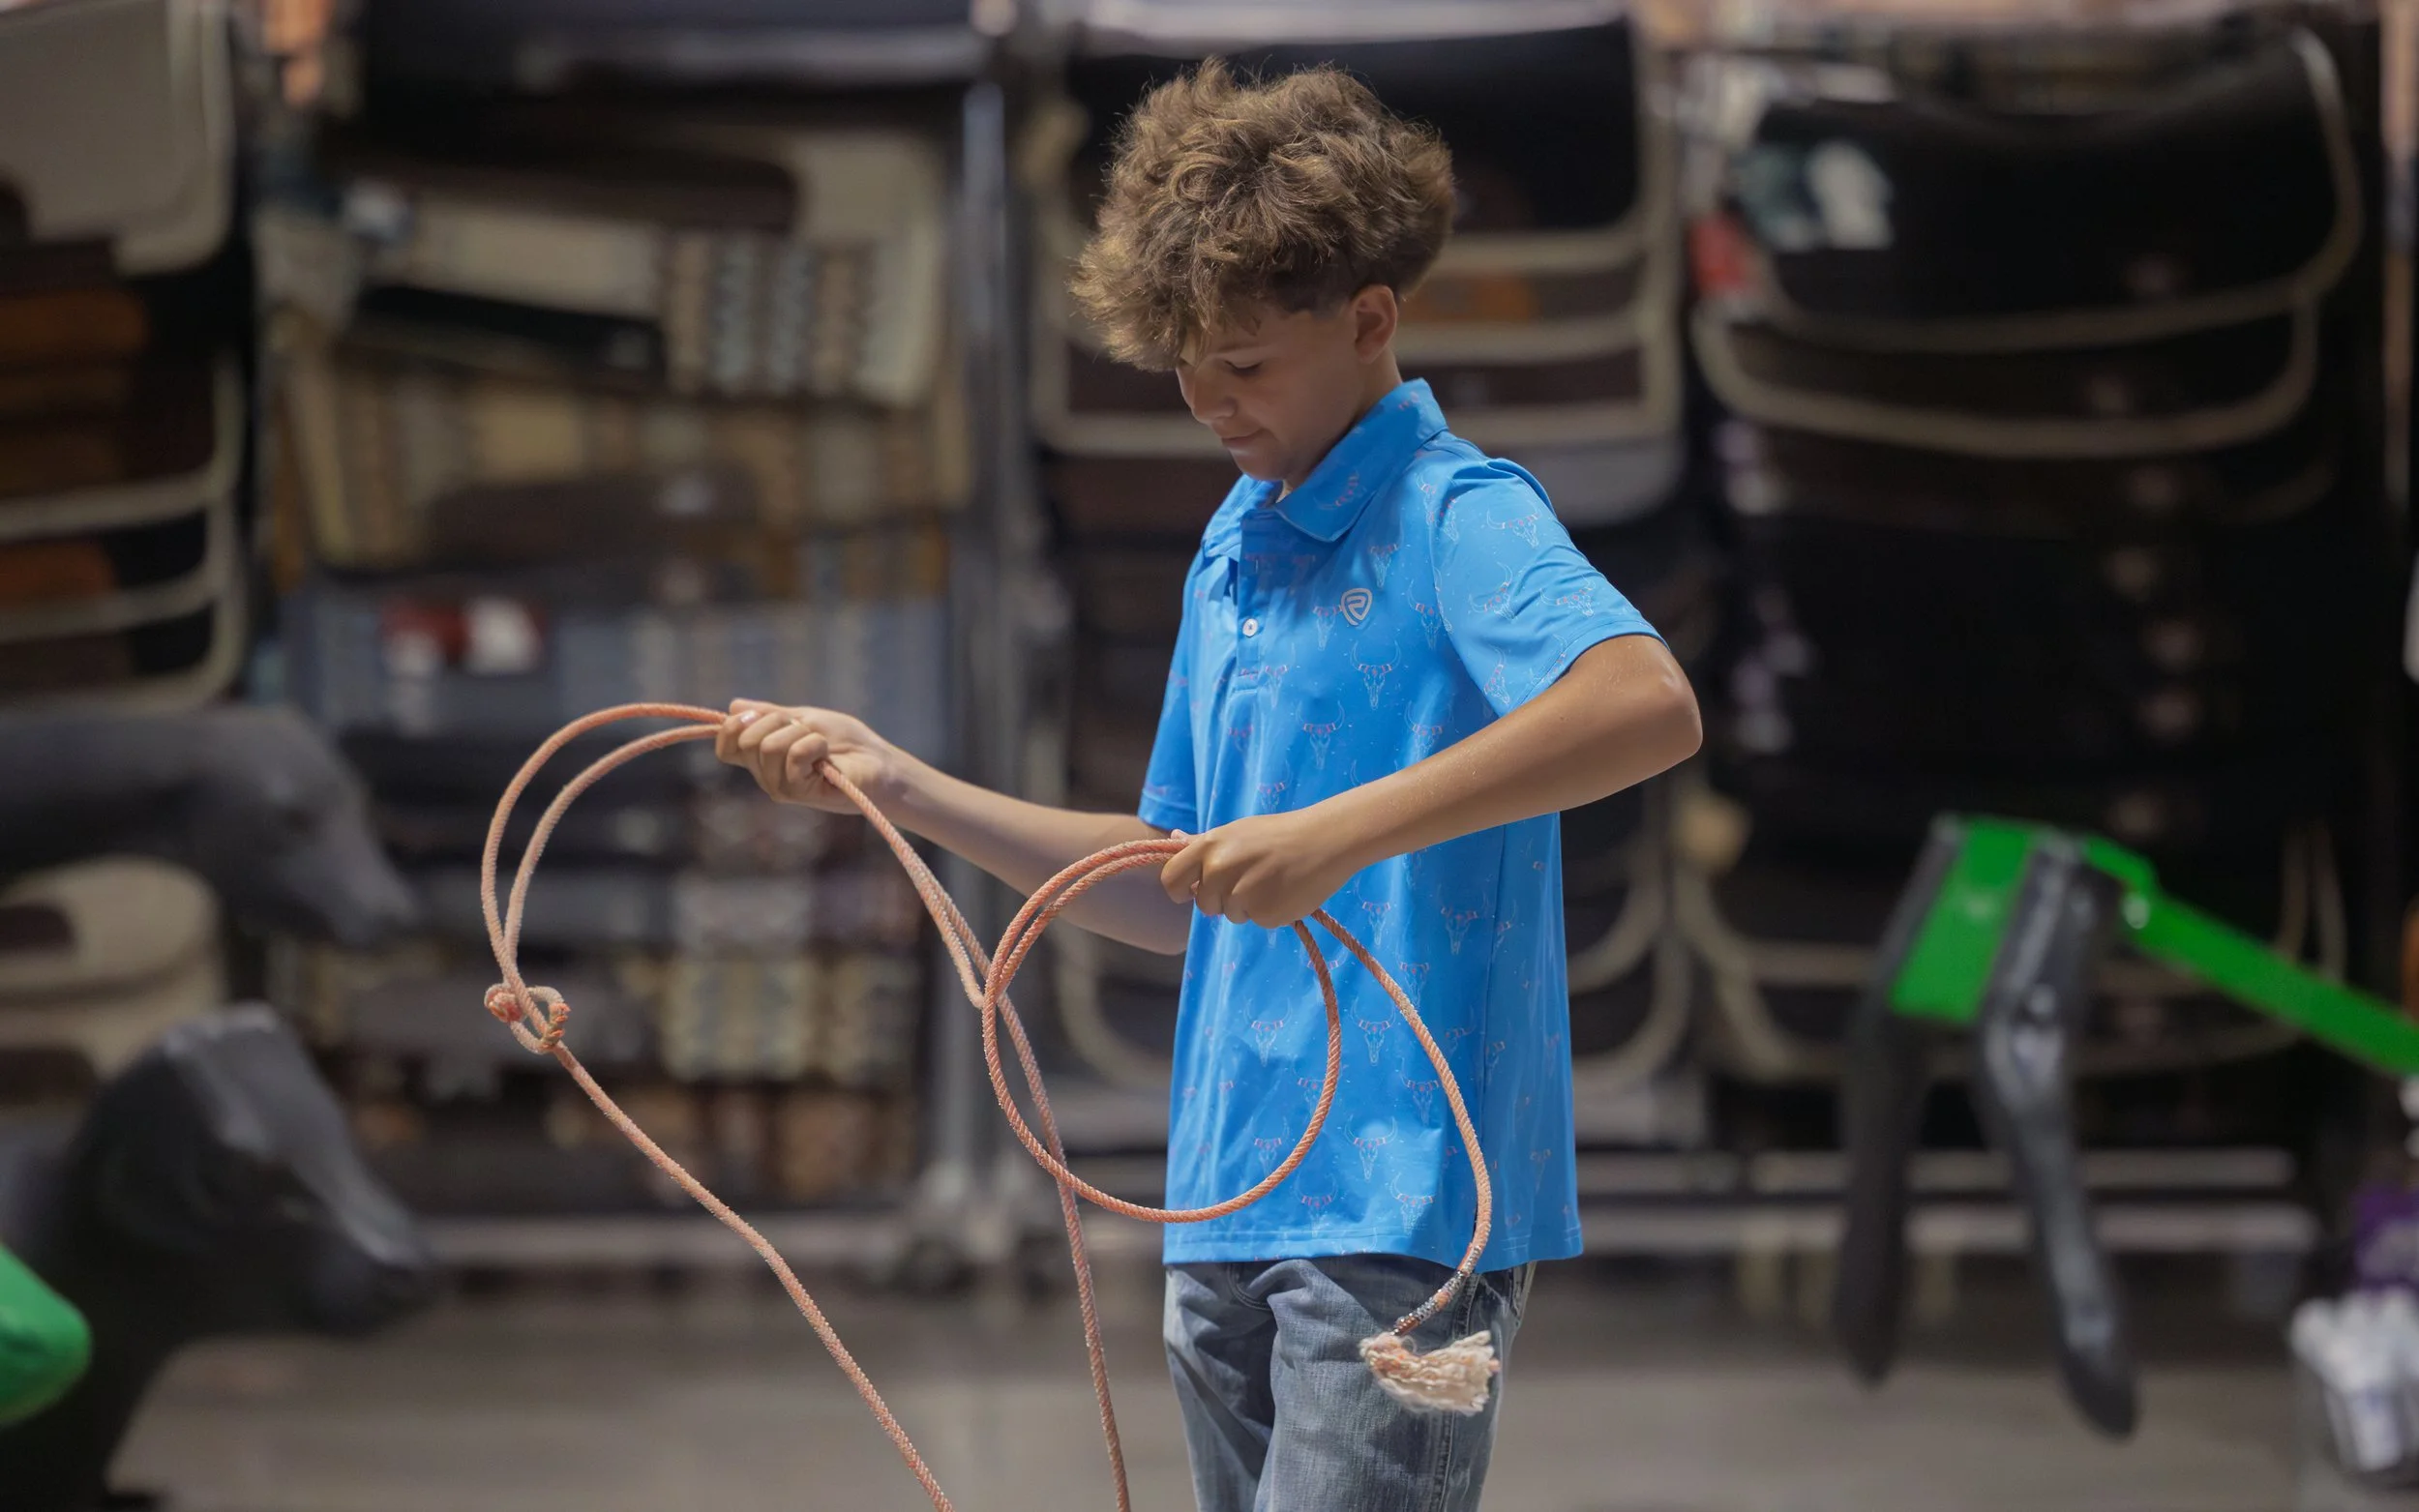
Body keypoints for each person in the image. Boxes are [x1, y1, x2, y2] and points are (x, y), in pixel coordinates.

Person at [717, 58, 1701, 1512]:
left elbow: (1645, 702)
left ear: (1370, 321)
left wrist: (1337, 834)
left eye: (1245, 366)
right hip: (1226, 1201)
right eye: (1186, 367)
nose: (1208, 405)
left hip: (1403, 1206)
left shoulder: (1461, 515)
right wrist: (901, 783)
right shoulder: (1235, 546)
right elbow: (1178, 884)